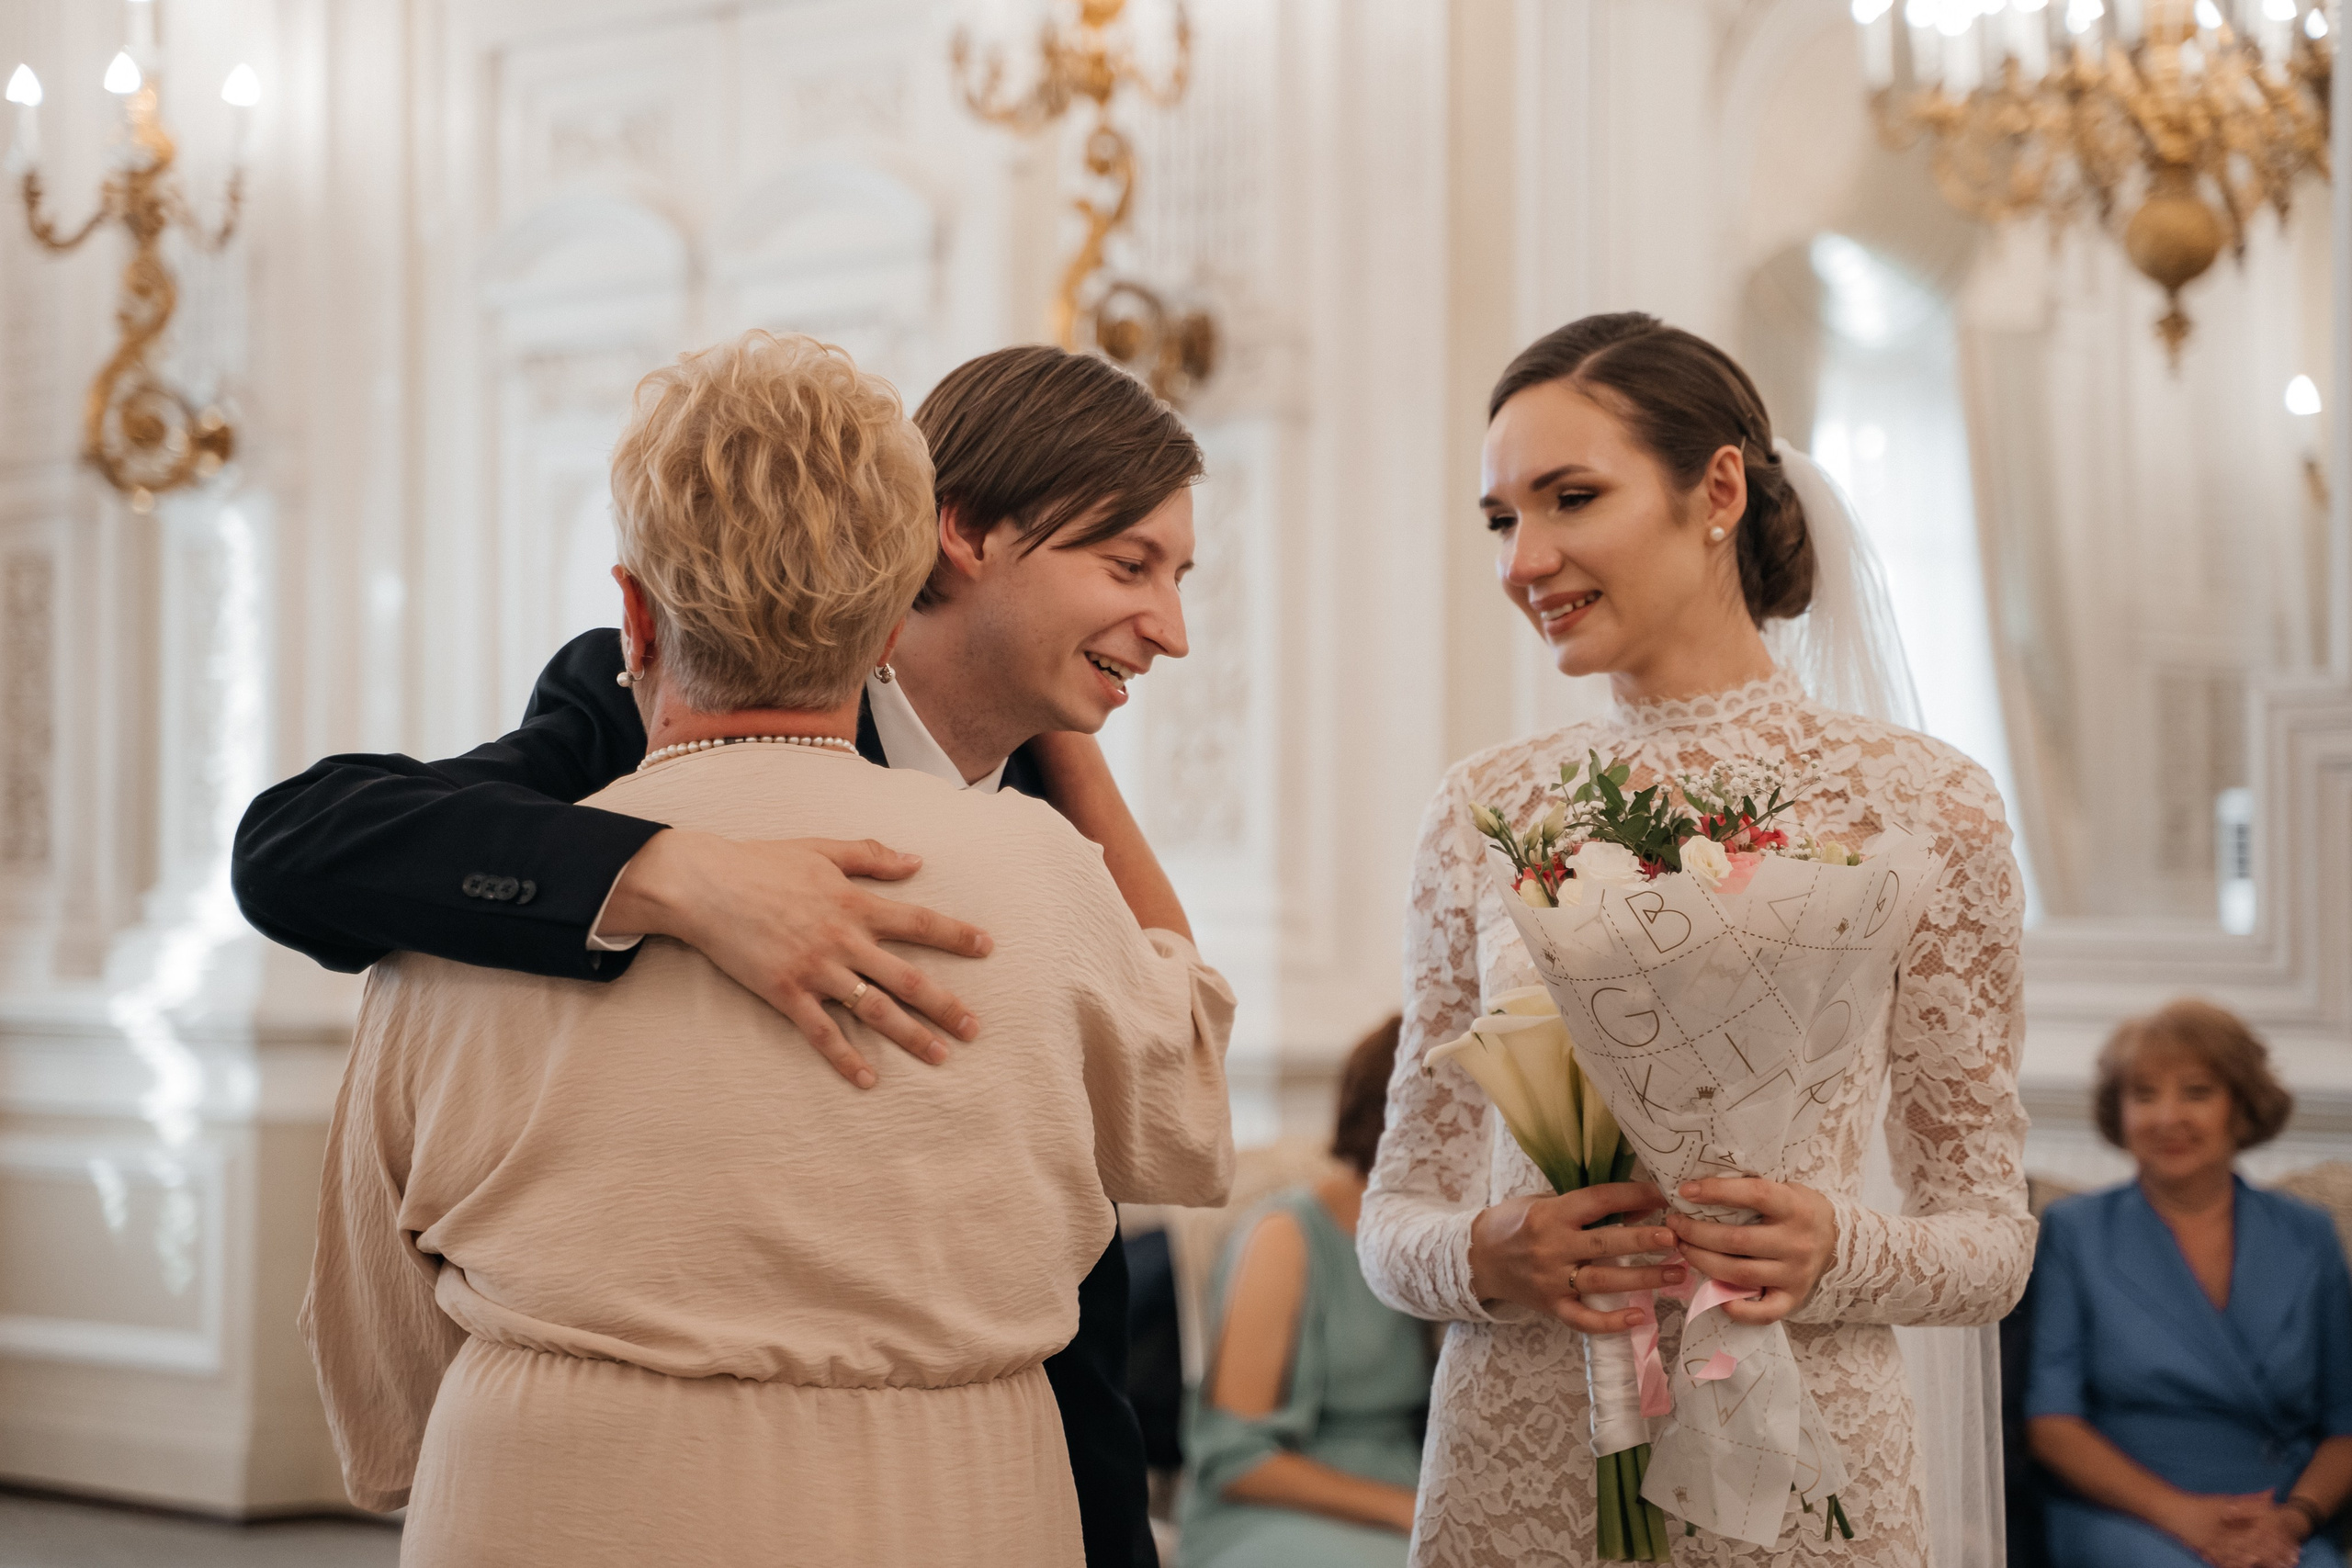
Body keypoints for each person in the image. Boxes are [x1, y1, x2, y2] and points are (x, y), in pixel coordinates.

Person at [239, 342, 1205, 1568]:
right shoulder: (633, 700)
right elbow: (297, 848)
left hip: (1010, 1444)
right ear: (957, 535)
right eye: (1131, 563)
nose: (1171, 627)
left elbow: (1127, 1143)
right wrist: (666, 869)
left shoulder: (1048, 820)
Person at [1354, 311, 2032, 1565]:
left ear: (1717, 487)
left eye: (1570, 498)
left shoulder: (1925, 802)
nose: (1525, 558)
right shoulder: (1483, 805)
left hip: (1801, 1456)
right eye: (1503, 518)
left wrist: (1835, 1245)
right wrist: (1482, 1254)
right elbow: (1398, 1207)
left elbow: (1988, 1235)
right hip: (1525, 1445)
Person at [2027, 999, 2352, 1568]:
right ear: (2119, 1111)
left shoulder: (2309, 1235)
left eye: (2196, 1092)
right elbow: (2052, 1423)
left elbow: (2346, 1423)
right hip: (2126, 1515)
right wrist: (2185, 1516)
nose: (2166, 1117)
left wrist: (2294, 1519)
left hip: (2274, 1516)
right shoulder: (2073, 1232)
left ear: (2241, 1107)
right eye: (2144, 1094)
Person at [1179, 1015, 1434, 1568]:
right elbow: (1235, 1458)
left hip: (1410, 1488)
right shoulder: (1286, 1238)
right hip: (1283, 1508)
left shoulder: (1441, 1245)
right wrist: (1402, 1508)